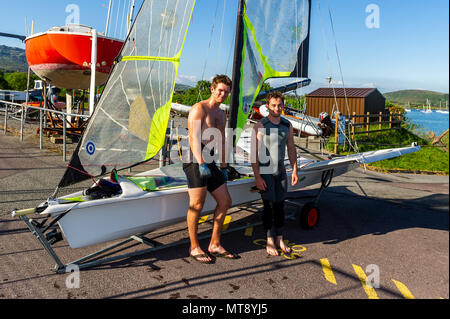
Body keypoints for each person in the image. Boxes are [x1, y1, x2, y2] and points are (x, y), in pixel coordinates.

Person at [183, 74, 239, 263]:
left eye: (226, 92)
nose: (223, 94)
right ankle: (194, 247)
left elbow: (222, 142)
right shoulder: (199, 109)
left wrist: (224, 166)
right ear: (212, 89)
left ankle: (214, 243)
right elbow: (193, 139)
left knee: (225, 201)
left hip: (211, 161)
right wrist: (201, 163)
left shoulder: (221, 114)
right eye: (220, 90)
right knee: (197, 205)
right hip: (194, 159)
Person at [251, 91, 299, 256]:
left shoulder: (287, 125)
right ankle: (269, 240)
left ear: (283, 106)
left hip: (280, 169)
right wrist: (257, 177)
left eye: (279, 105)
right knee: (268, 206)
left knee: (280, 204)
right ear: (267, 106)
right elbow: (254, 153)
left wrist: (294, 170)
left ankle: (279, 238)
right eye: (273, 105)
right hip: (265, 170)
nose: (277, 108)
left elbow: (291, 148)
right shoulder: (261, 126)